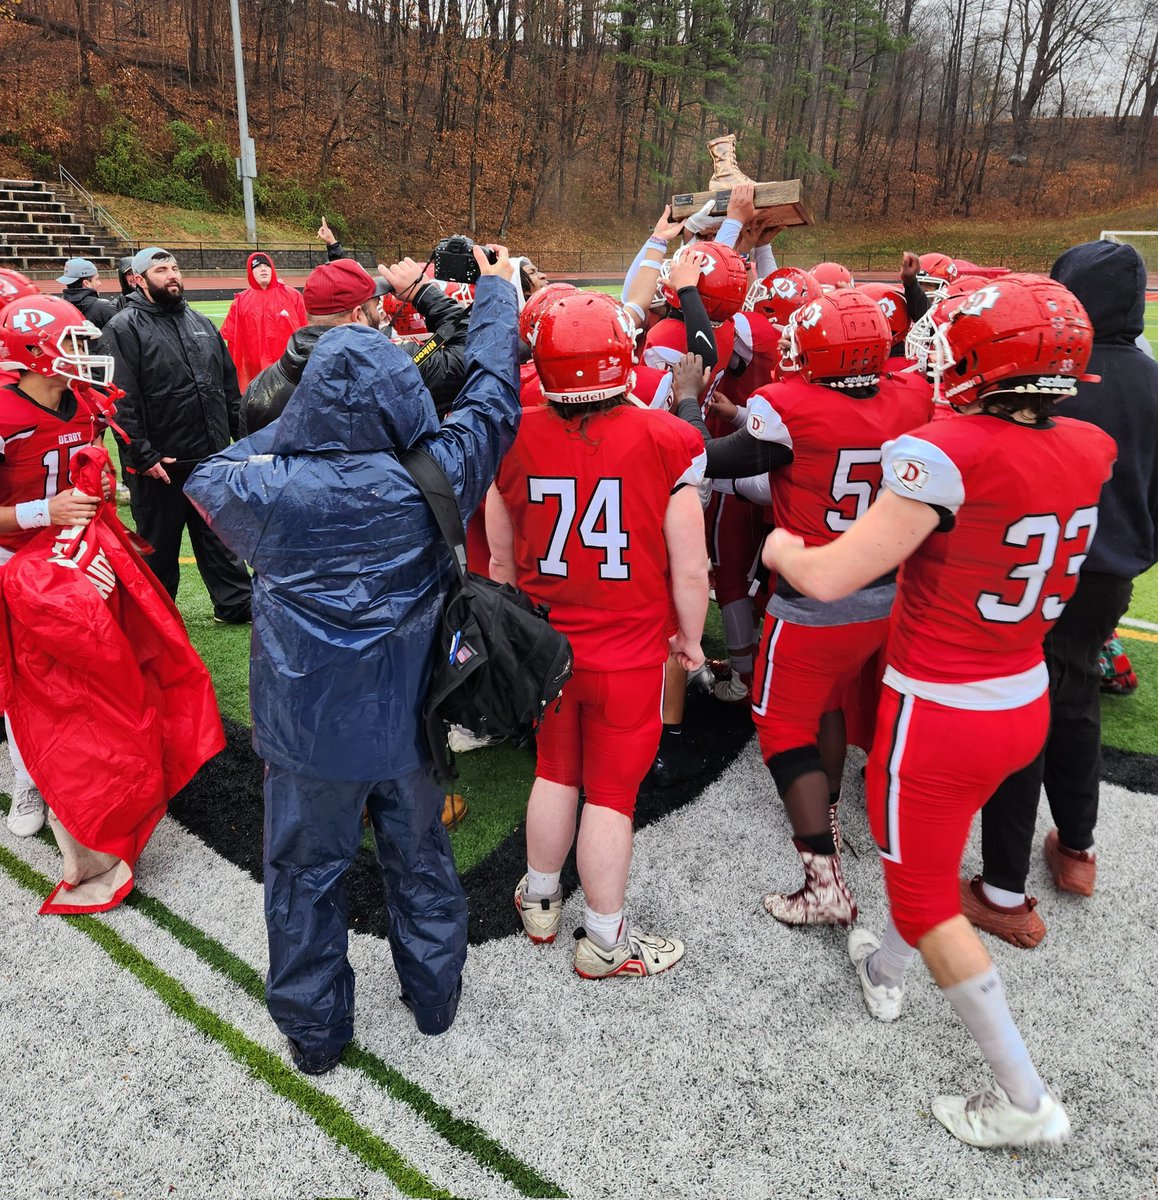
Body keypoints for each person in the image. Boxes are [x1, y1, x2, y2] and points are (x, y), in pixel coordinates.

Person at [762, 273, 1115, 1147]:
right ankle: (883, 965)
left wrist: (781, 545)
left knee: (924, 903)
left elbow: (837, 572)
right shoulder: (1089, 444)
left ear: (978, 360)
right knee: (921, 865)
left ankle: (1025, 1099)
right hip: (1022, 691)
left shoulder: (948, 452)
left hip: (940, 706)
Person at [184, 245, 521, 1074]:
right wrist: (500, 295)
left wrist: (299, 434)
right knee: (421, 861)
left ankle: (315, 1032)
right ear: (399, 398)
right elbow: (492, 396)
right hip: (407, 717)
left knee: (304, 878)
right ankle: (434, 998)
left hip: (307, 731)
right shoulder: (432, 472)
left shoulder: (265, 487)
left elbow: (206, 471)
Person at [487, 292, 709, 978]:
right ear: (624, 356)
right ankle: (606, 941)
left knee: (555, 772)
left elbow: (499, 561)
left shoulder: (512, 433)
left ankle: (542, 899)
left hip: (548, 649)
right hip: (628, 654)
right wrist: (692, 642)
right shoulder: (667, 438)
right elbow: (691, 566)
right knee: (611, 796)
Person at [962, 239, 1158, 947]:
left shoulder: (1050, 377)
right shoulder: (1153, 381)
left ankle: (1004, 889)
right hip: (1106, 575)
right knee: (1074, 703)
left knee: (1025, 712)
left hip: (1027, 570)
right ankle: (1077, 849)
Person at [0, 294, 111, 835]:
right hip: (13, 557)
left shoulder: (85, 400)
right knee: (25, 677)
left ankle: (81, 762)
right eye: (72, 344)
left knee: (86, 662)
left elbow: (87, 463)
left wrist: (99, 485)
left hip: (70, 548)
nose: (83, 354)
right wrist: (45, 508)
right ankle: (28, 777)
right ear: (36, 351)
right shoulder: (5, 413)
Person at [96, 247, 252, 623]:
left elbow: (228, 389)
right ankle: (156, 618)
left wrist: (243, 440)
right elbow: (119, 399)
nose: (171, 275)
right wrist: (142, 454)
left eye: (175, 268)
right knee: (158, 547)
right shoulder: (123, 328)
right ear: (138, 278)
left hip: (210, 460)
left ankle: (236, 604)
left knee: (219, 540)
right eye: (161, 269)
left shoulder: (201, 323)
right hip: (160, 466)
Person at [220, 252, 307, 391]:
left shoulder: (292, 296)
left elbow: (305, 330)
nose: (263, 268)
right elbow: (233, 341)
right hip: (255, 372)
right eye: (258, 266)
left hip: (289, 369)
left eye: (266, 265)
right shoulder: (241, 302)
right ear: (251, 272)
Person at [56, 258, 117, 329]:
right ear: (86, 283)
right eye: (96, 279)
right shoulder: (104, 308)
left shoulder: (58, 308)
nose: (100, 283)